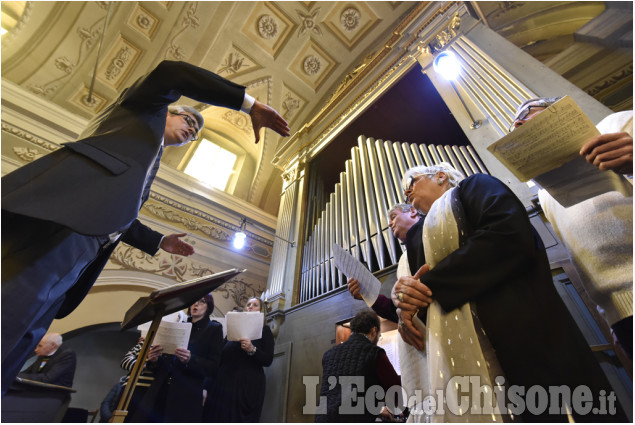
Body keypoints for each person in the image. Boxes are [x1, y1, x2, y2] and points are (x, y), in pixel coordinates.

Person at [1, 60, 290, 395]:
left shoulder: (146, 167)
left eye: (196, 133)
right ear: (168, 110)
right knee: (11, 311)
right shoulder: (142, 111)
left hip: (84, 249)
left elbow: (114, 213)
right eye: (189, 121)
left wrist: (158, 240)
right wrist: (248, 104)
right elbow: (171, 72)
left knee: (24, 335)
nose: (191, 131)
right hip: (61, 225)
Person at [392, 162, 627, 422]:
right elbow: (426, 299)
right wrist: (407, 303)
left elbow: (509, 234)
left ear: (440, 176)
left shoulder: (476, 187)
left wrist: (431, 284)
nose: (407, 193)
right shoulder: (416, 237)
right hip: (464, 361)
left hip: (529, 335)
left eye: (411, 183)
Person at [512, 97, 633, 358]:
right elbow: (581, 255)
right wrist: (611, 315)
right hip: (622, 314)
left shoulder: (618, 123)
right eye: (515, 124)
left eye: (527, 113)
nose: (518, 122)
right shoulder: (545, 193)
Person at [124, 294, 222, 422]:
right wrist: (155, 360)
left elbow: (213, 367)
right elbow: (167, 362)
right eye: (194, 301)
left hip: (186, 393)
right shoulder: (179, 325)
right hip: (161, 386)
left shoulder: (213, 328)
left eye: (202, 301)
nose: (195, 304)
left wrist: (190, 360)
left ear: (209, 307)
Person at [315, 309, 401, 422]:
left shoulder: (328, 355)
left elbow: (341, 397)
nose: (378, 339)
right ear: (374, 331)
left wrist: (377, 412)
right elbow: (396, 393)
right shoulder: (374, 352)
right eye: (379, 336)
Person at [347, 203, 424, 323]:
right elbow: (396, 311)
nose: (389, 224)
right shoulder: (403, 260)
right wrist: (366, 294)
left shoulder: (431, 230)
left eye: (393, 217)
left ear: (413, 211)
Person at [204, 297, 274, 422]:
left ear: (261, 311)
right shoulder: (232, 332)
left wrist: (252, 349)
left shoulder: (264, 330)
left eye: (255, 305)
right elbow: (220, 358)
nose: (250, 306)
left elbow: (268, 359)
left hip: (246, 386)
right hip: (223, 385)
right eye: (248, 304)